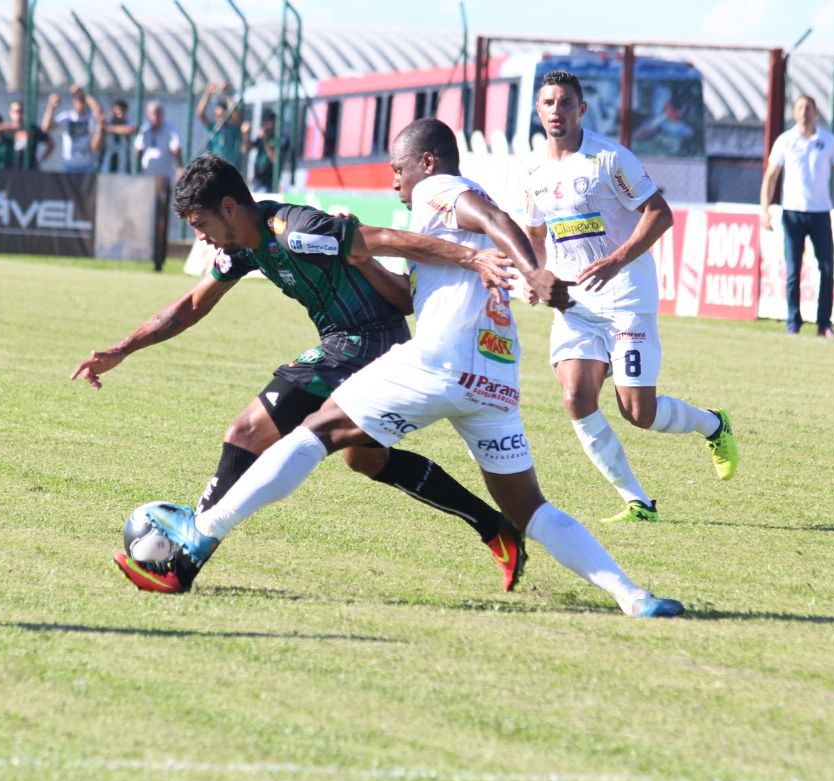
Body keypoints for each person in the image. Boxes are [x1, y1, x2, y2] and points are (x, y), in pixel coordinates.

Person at [135, 123, 685, 618]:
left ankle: (200, 536)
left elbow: (493, 219)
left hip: (440, 359)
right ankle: (633, 597)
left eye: (397, 169)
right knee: (531, 510)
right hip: (493, 378)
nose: (394, 181)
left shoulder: (437, 189)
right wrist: (380, 261)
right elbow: (409, 290)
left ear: (425, 162)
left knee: (317, 432)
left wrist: (534, 270)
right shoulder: (438, 218)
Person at [71, 152, 535, 596]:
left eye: (201, 225)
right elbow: (191, 305)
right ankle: (494, 526)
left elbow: (384, 238)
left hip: (366, 342)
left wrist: (471, 258)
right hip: (351, 344)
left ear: (229, 208)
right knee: (366, 460)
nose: (201, 238)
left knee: (247, 430)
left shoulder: (295, 230)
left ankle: (185, 562)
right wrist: (122, 349)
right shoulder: (245, 248)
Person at [522, 70, 738, 524]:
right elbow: (535, 232)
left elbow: (659, 214)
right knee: (576, 398)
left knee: (638, 412)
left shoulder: (609, 159)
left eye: (565, 103)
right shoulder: (534, 171)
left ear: (582, 109)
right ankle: (637, 501)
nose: (556, 111)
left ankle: (713, 424)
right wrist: (535, 275)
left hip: (625, 297)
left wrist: (617, 260)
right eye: (548, 103)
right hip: (575, 306)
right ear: (538, 111)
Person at [760, 94, 834, 339]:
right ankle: (793, 321)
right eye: (800, 108)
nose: (804, 112)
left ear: (816, 112)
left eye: (809, 108)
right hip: (792, 213)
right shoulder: (785, 141)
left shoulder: (828, 141)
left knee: (826, 268)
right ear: (794, 113)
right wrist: (765, 208)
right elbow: (771, 175)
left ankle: (824, 323)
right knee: (793, 269)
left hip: (820, 213)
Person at [134, 101, 183, 271]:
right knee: (144, 220)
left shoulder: (170, 130)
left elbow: (176, 149)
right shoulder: (145, 130)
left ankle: (159, 260)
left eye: (158, 113)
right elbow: (138, 149)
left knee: (161, 221)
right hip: (146, 182)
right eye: (152, 113)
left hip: (162, 181)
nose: (155, 117)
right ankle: (141, 255)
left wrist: (179, 168)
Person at [43, 85, 103, 174]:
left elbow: (99, 113)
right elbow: (46, 128)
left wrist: (83, 94)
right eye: (77, 102)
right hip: (69, 165)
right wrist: (51, 107)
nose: (80, 105)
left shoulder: (91, 117)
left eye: (82, 102)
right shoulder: (67, 117)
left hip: (88, 166)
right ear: (73, 103)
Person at [0, 99, 53, 169]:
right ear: (10, 112)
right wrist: (9, 126)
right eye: (16, 111)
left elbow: (50, 143)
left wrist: (40, 161)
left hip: (28, 169)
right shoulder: (5, 130)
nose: (18, 114)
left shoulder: (31, 129)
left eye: (20, 111)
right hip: (8, 170)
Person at [195, 81, 243, 168]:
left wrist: (227, 94)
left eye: (221, 115)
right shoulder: (214, 127)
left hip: (229, 167)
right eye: (217, 115)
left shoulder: (232, 128)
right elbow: (200, 113)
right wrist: (208, 93)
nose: (219, 118)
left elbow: (237, 117)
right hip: (215, 166)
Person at [245, 110, 285, 192]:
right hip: (258, 181)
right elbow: (246, 149)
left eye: (269, 122)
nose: (266, 126)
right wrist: (246, 134)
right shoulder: (260, 138)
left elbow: (275, 159)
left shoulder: (281, 139)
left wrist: (265, 141)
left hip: (270, 183)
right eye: (265, 122)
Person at [102, 99, 136, 173]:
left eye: (121, 112)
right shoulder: (107, 122)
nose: (118, 115)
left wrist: (110, 129)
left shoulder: (128, 122)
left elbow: (130, 129)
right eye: (115, 111)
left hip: (124, 168)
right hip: (106, 167)